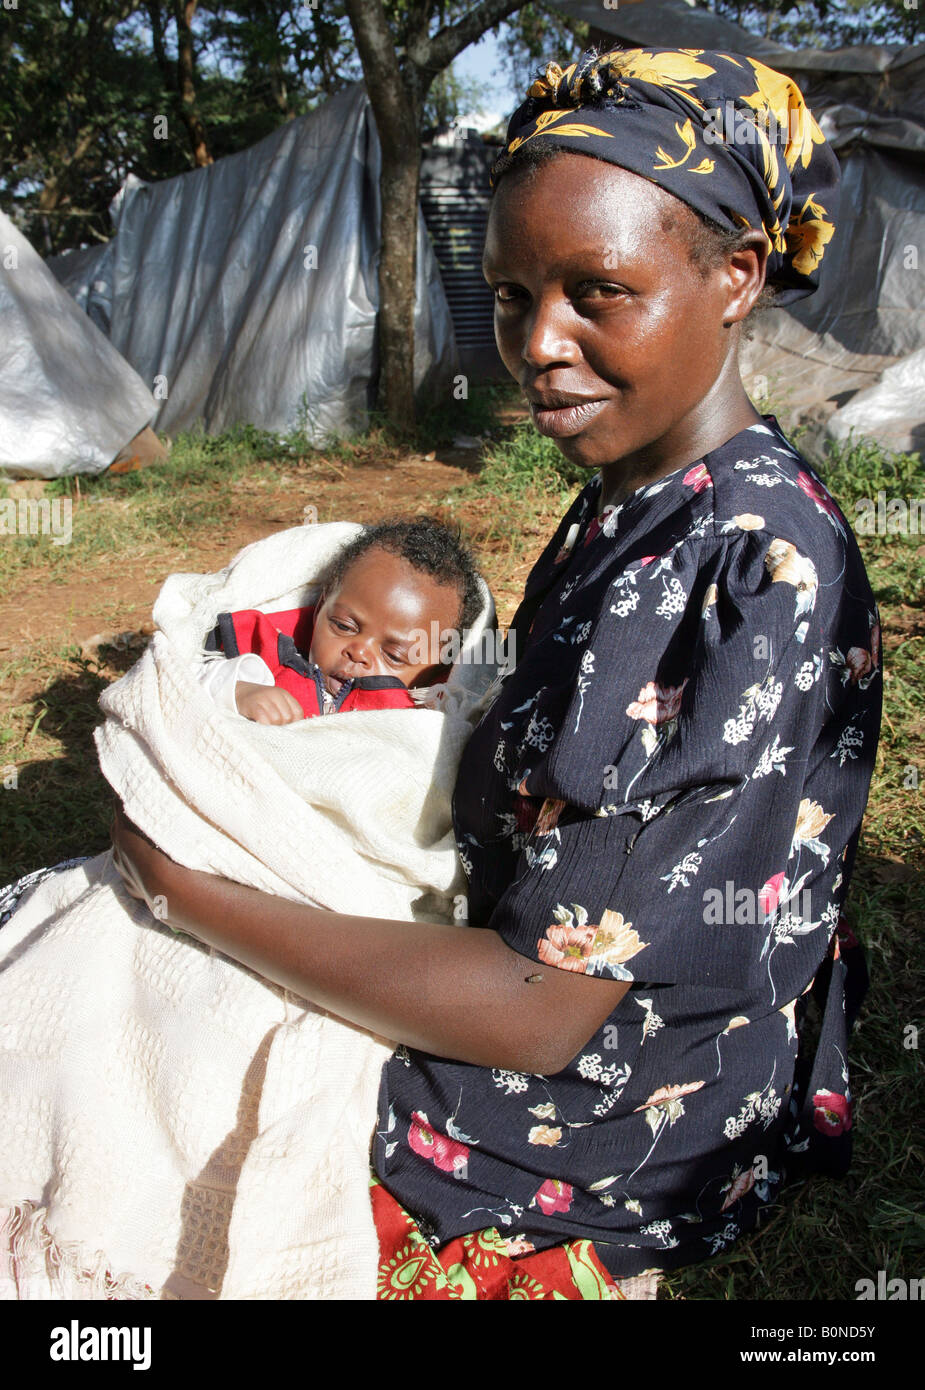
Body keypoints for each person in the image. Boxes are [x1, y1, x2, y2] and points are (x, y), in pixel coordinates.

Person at [18, 47, 882, 1299]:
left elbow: (543, 1011)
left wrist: (185, 889)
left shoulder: (749, 568)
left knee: (135, 1021)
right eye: (513, 291)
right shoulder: (636, 498)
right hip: (529, 970)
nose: (538, 342)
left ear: (735, 277)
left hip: (618, 1096)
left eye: (597, 292)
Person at [197, 516, 484, 723]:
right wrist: (239, 692)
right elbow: (186, 683)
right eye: (344, 626)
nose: (358, 652)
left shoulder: (427, 717)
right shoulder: (265, 661)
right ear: (321, 606)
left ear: (437, 668)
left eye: (395, 654)